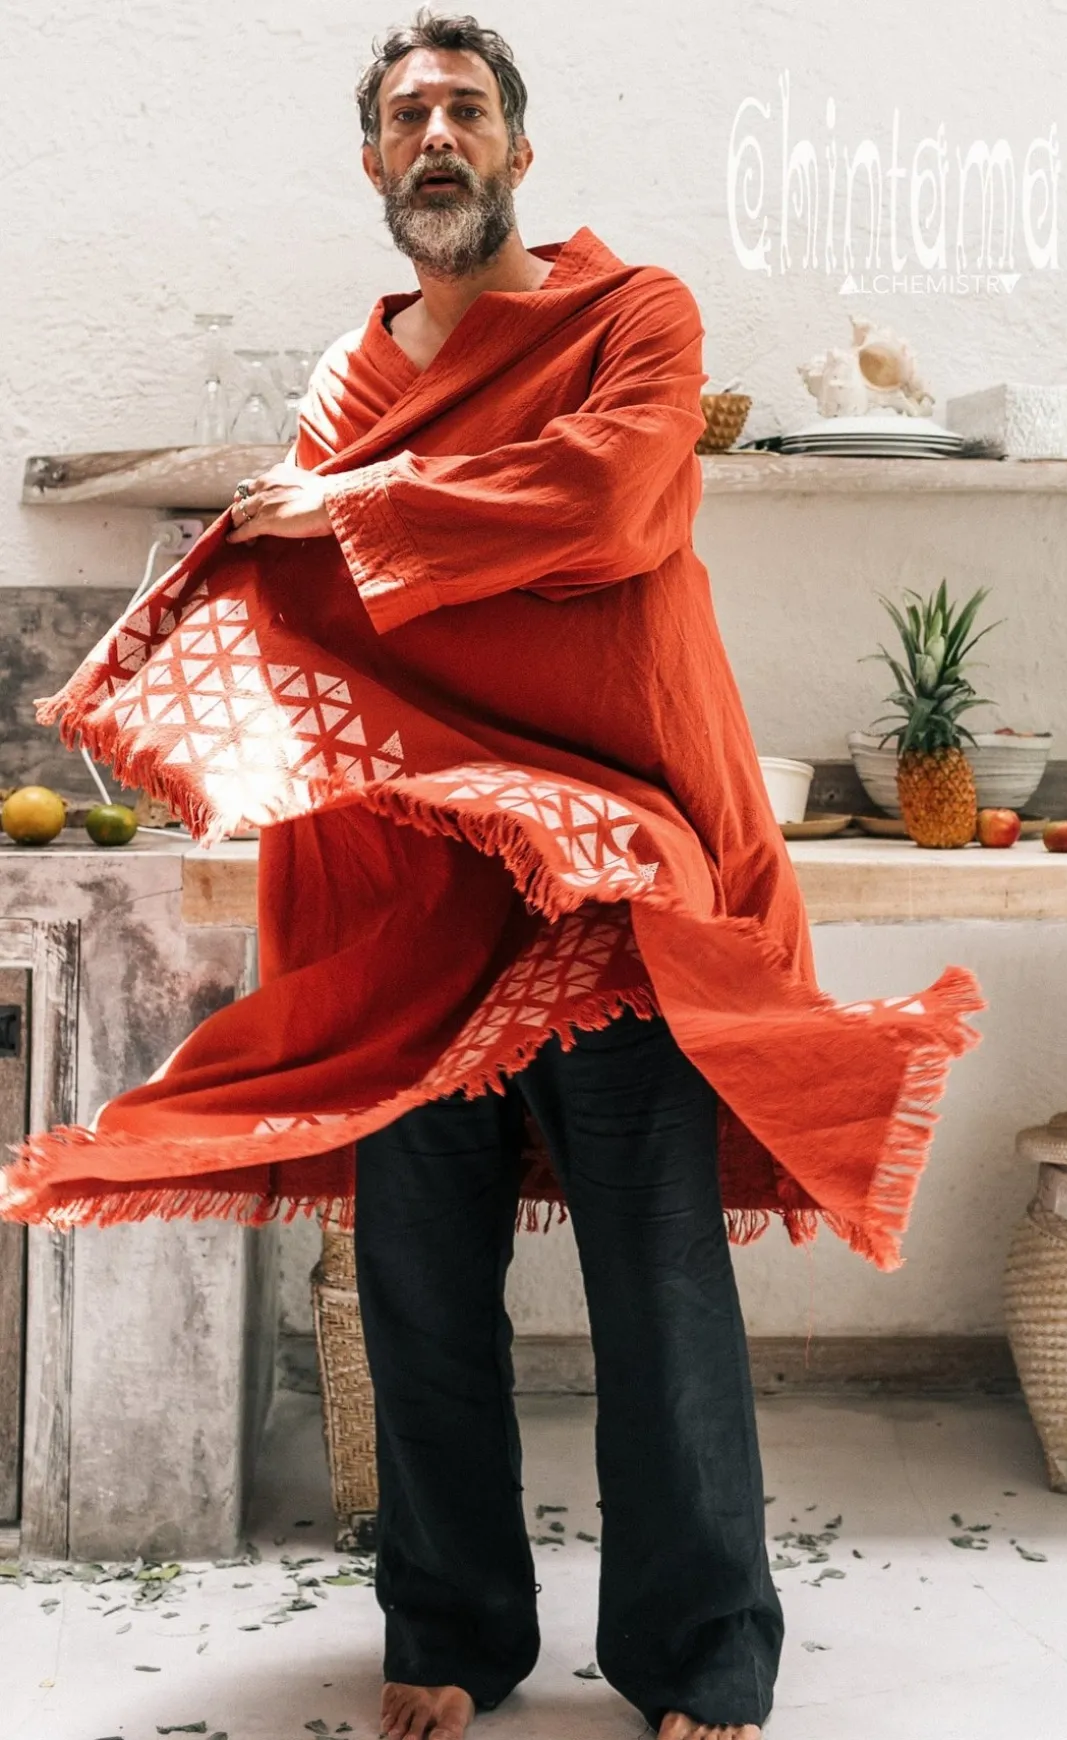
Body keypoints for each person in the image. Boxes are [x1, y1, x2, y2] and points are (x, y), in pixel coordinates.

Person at [226, 12, 780, 1739]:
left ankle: (701, 1650)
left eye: (467, 108)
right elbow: (339, 621)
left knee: (660, 1275)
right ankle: (454, 1629)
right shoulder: (349, 377)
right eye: (409, 115)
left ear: (521, 151)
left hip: (613, 885)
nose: (439, 134)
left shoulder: (637, 317)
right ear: (375, 164)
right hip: (422, 899)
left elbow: (610, 507)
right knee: (417, 1281)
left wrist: (362, 516)